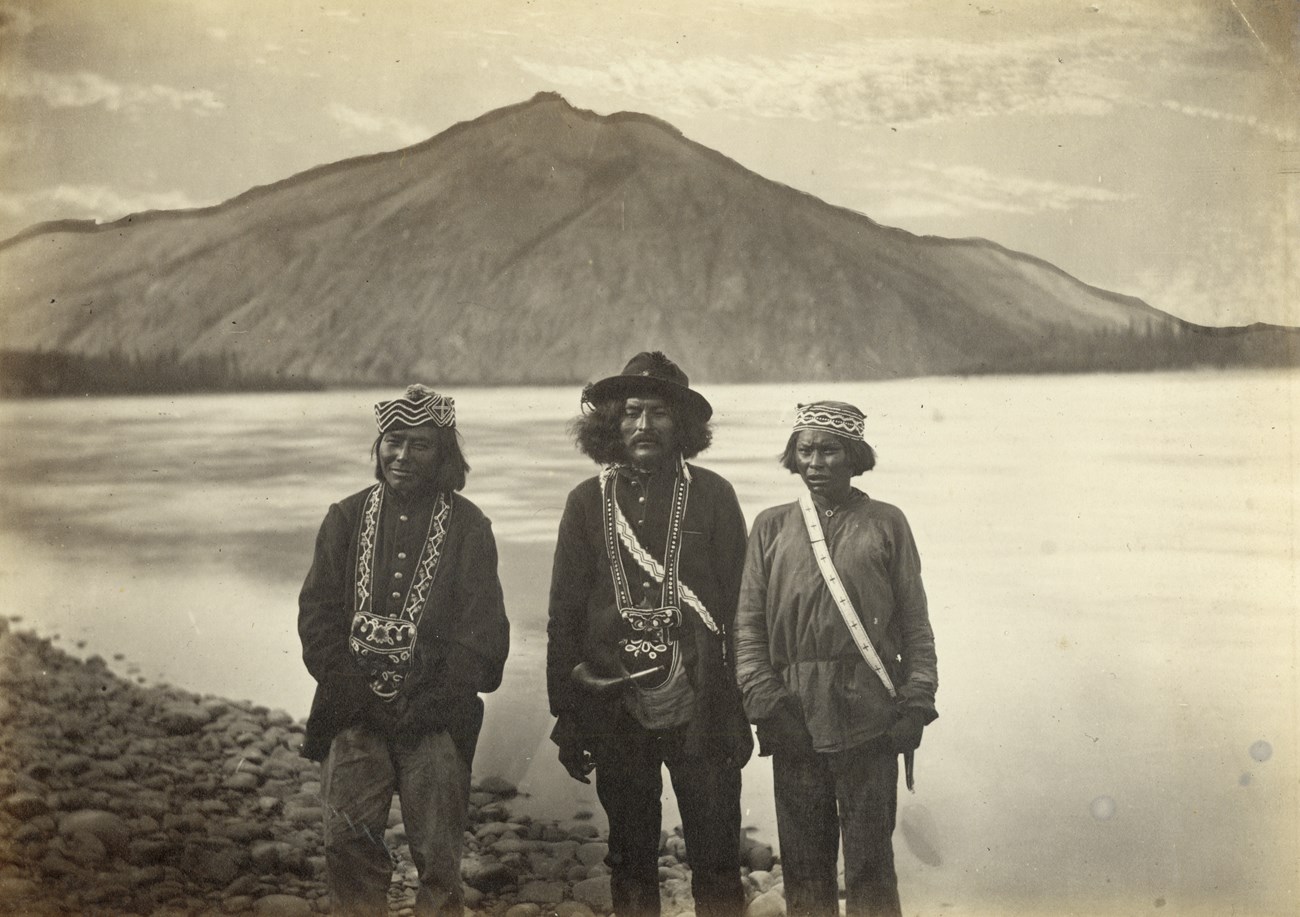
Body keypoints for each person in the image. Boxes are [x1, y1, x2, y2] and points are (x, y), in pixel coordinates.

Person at [546, 351, 753, 917]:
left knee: (716, 855)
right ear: (610, 422)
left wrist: (738, 707)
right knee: (630, 854)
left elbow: (741, 610)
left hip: (702, 703)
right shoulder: (586, 502)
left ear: (681, 425)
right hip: (615, 706)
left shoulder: (713, 494)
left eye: (658, 412)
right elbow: (563, 618)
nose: (643, 425)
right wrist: (567, 714)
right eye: (632, 411)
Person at [298, 384, 510, 917]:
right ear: (378, 446)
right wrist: (358, 694)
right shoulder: (344, 519)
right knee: (346, 848)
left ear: (444, 456)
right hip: (352, 713)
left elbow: (483, 636)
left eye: (420, 445)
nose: (402, 455)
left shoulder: (469, 527)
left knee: (439, 860)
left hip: (435, 717)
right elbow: (317, 620)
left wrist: (429, 699)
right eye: (393, 441)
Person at [733, 401, 938, 917]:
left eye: (830, 450)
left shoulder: (887, 522)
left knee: (871, 864)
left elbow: (914, 623)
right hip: (794, 716)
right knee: (804, 867)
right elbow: (748, 629)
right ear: (792, 457)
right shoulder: (771, 526)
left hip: (872, 716)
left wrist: (916, 703)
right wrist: (769, 706)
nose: (816, 462)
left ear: (854, 456)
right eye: (806, 450)